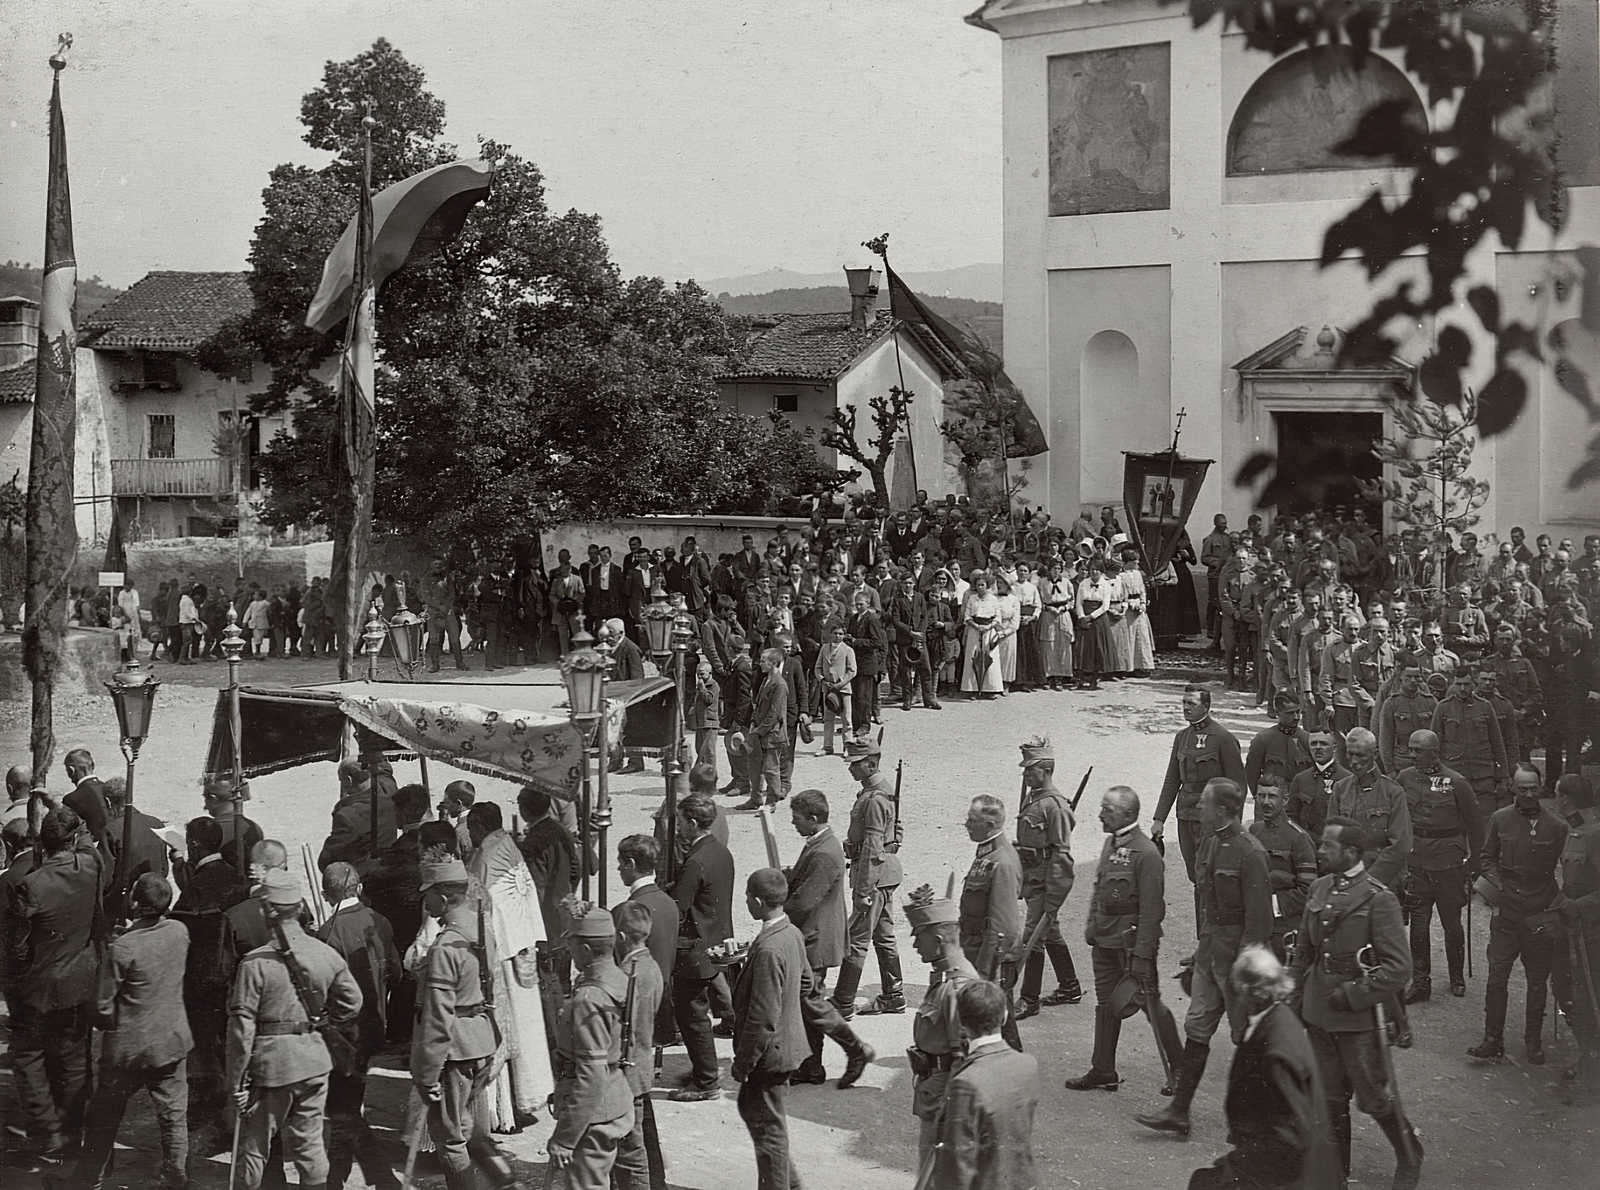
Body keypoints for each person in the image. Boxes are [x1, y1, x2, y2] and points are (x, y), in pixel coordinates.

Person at [1293, 817, 1423, 1189]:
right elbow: (1304, 948)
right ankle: (1337, 1175)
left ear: (1349, 853)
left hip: (1358, 1018)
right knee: (1330, 1098)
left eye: (1326, 847)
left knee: (1374, 1098)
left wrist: (1352, 994)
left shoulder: (1378, 899)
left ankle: (1409, 1154)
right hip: (1319, 1008)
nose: (1319, 852)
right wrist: (1295, 992)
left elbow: (1399, 968)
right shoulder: (1319, 887)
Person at [1138, 778, 1272, 1138]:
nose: (1198, 808)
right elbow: (1209, 907)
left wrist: (1242, 970)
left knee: (1247, 1038)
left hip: (1238, 962)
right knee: (1196, 1027)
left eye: (1204, 804)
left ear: (1224, 810)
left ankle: (1249, 1123)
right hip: (1211, 955)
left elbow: (1259, 924)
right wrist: (1202, 952)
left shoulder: (1251, 853)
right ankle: (1179, 1112)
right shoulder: (1211, 843)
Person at [53, 873, 193, 1190]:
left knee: (104, 1117)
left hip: (128, 1048)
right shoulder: (179, 932)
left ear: (133, 903)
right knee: (173, 1116)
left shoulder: (123, 949)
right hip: (170, 1040)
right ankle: (175, 1177)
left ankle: (89, 1179)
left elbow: (101, 1007)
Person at [226, 868, 363, 1190]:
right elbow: (352, 1002)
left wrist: (235, 1083)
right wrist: (322, 1020)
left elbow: (241, 1033)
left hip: (272, 1067)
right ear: (299, 908)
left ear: (268, 911)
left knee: (256, 1146)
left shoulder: (254, 963)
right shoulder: (324, 954)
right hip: (314, 1062)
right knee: (310, 1146)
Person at [1188, 946, 1340, 1190]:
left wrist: (1239, 1166)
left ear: (1250, 993)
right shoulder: (1279, 1019)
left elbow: (1290, 1138)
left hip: (1278, 1169)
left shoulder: (1275, 1050)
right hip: (1273, 1157)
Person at [1066, 785, 1184, 1093]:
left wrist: (1143, 955)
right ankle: (1103, 1069)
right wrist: (1092, 926)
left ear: (1128, 814)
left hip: (1131, 947)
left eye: (1108, 810)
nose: (1101, 815)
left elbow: (1152, 911)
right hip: (1105, 940)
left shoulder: (1146, 854)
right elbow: (1099, 889)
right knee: (1105, 1004)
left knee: (1150, 1006)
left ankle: (1181, 1069)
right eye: (1103, 808)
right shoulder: (1109, 844)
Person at [8, 806, 105, 1155]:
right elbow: (90, 847)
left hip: (38, 986)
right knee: (75, 1059)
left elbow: (17, 947)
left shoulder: (29, 885)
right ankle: (72, 1131)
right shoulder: (89, 867)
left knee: (28, 1055)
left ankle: (48, 1131)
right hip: (79, 982)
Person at [1469, 761, 1571, 1065]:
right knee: (1497, 977)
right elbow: (1486, 859)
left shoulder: (1558, 825)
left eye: (1532, 788)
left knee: (1537, 981)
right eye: (1521, 788)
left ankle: (1532, 1040)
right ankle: (1492, 1041)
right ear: (1512, 788)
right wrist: (1498, 887)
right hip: (1507, 912)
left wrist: (1561, 904)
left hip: (1541, 910)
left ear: (1541, 788)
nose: (1528, 794)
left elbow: (1572, 869)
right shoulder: (1499, 820)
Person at [315, 863, 401, 1190]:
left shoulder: (327, 932)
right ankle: (352, 1176)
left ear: (326, 895)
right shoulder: (380, 922)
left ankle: (339, 1177)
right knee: (349, 1102)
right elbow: (396, 970)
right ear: (359, 888)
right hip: (373, 1025)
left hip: (343, 1033)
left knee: (344, 1106)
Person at [784, 791, 874, 1087]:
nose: (793, 824)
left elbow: (803, 903)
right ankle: (811, 1067)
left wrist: (776, 908)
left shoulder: (823, 852)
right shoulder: (820, 843)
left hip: (815, 939)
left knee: (811, 1003)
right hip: (815, 936)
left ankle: (855, 1049)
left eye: (797, 819)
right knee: (807, 1003)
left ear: (812, 819)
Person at [731, 868, 812, 1190]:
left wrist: (742, 1063)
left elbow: (763, 1018)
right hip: (788, 1047)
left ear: (758, 901)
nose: (746, 902)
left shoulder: (767, 949)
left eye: (748, 897)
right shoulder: (790, 933)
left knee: (769, 1134)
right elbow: (806, 983)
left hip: (769, 1055)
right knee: (762, 1119)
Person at [1396, 730, 1482, 1003]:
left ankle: (1456, 976)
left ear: (1434, 751)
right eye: (1410, 749)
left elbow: (1476, 826)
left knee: (1451, 923)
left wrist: (1475, 864)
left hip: (1448, 862)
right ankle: (1421, 981)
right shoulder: (1404, 778)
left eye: (1417, 750)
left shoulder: (1457, 783)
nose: (1411, 755)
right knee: (1419, 925)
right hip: (1417, 863)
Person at [930, 980, 1040, 1190]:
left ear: (961, 1022)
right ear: (1005, 1016)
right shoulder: (1028, 1064)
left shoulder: (967, 1082)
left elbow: (957, 1162)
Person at [901, 885, 981, 1165]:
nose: (914, 945)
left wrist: (953, 1111)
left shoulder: (960, 986)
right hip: (933, 1089)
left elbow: (965, 1057)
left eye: (918, 938)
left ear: (937, 939)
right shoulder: (945, 977)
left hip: (944, 1097)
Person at [668, 794, 735, 1102]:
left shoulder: (695, 861)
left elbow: (677, 909)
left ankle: (706, 1081)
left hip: (693, 950)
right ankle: (702, 1070)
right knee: (699, 1012)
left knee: (692, 1015)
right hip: (716, 943)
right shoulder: (720, 852)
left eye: (681, 822)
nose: (678, 827)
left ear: (693, 823)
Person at [831, 738, 905, 1018]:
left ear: (872, 763)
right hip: (886, 873)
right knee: (884, 935)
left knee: (858, 938)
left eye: (856, 763)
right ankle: (893, 996)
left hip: (872, 875)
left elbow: (874, 846)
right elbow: (896, 833)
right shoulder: (881, 791)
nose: (850, 768)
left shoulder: (874, 798)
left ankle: (843, 1002)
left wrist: (863, 889)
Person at [1009, 736, 1082, 1018]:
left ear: (1047, 771)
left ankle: (1029, 999)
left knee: (1032, 936)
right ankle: (1070, 987)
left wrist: (1054, 897)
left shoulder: (1055, 806)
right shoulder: (1033, 798)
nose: (1025, 774)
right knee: (1050, 932)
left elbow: (1062, 857)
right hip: (1032, 877)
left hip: (1046, 882)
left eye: (1030, 769)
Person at [1153, 684, 1247, 883]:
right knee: (1194, 873)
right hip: (1185, 815)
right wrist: (1159, 819)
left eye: (1192, 703)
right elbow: (1172, 780)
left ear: (1206, 706)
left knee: (1213, 872)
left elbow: (1238, 787)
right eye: (1184, 703)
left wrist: (1233, 827)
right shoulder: (1182, 737)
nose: (1186, 707)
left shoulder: (1223, 738)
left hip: (1211, 817)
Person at [611, 900, 665, 1190]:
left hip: (626, 1075)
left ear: (620, 938)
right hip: (641, 1067)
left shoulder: (626, 974)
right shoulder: (651, 967)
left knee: (630, 1153)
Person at [1556, 774, 1600, 1093]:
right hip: (1576, 930)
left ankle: (1592, 1063)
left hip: (1594, 932)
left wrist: (1577, 906)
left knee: (1590, 998)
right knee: (1572, 993)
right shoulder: (1573, 829)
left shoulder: (1596, 833)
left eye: (1558, 795)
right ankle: (1589, 1057)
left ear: (1566, 799)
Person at [1329, 728, 1413, 891]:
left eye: (1360, 755)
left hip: (1383, 883)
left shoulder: (1392, 792)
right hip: (1347, 881)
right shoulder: (1340, 789)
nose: (1353, 761)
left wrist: (1369, 881)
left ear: (1374, 754)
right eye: (1350, 754)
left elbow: (1401, 845)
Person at [1247, 774, 1317, 967]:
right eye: (1261, 796)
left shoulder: (1299, 838)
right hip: (1257, 928)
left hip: (1285, 930)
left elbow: (1309, 890)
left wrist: (1270, 904)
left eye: (1272, 796)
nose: (1265, 802)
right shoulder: (1254, 831)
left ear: (1285, 800)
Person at [1432, 667, 1509, 821]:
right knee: (1450, 819)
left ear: (1473, 684)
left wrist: (1503, 777)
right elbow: (1434, 746)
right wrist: (1436, 777)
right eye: (1458, 684)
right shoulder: (1443, 708)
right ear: (1453, 684)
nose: (1462, 688)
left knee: (1486, 819)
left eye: (1466, 684)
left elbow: (1497, 744)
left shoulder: (1485, 707)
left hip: (1483, 775)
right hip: (1454, 774)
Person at [318, 759, 399, 875]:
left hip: (364, 877)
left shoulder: (347, 816)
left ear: (349, 780)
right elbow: (384, 770)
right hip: (389, 867)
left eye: (342, 780)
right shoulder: (389, 789)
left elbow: (329, 859)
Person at [739, 647, 790, 810]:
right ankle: (755, 799)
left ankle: (771, 801)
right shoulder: (765, 680)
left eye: (763, 661)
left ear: (773, 663)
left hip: (772, 735)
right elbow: (758, 706)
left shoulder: (780, 685)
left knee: (770, 769)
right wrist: (754, 722)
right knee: (753, 767)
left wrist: (757, 731)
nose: (759, 663)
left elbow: (774, 714)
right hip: (759, 732)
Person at [176, 816, 251, 913]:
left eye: (188, 843)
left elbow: (179, 916)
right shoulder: (236, 874)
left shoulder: (197, 884)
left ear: (193, 845)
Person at [1288, 730, 1347, 843]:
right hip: (1307, 844)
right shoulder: (1301, 779)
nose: (1318, 748)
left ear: (1334, 747)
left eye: (1323, 743)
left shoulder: (1346, 779)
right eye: (1313, 744)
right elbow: (1292, 815)